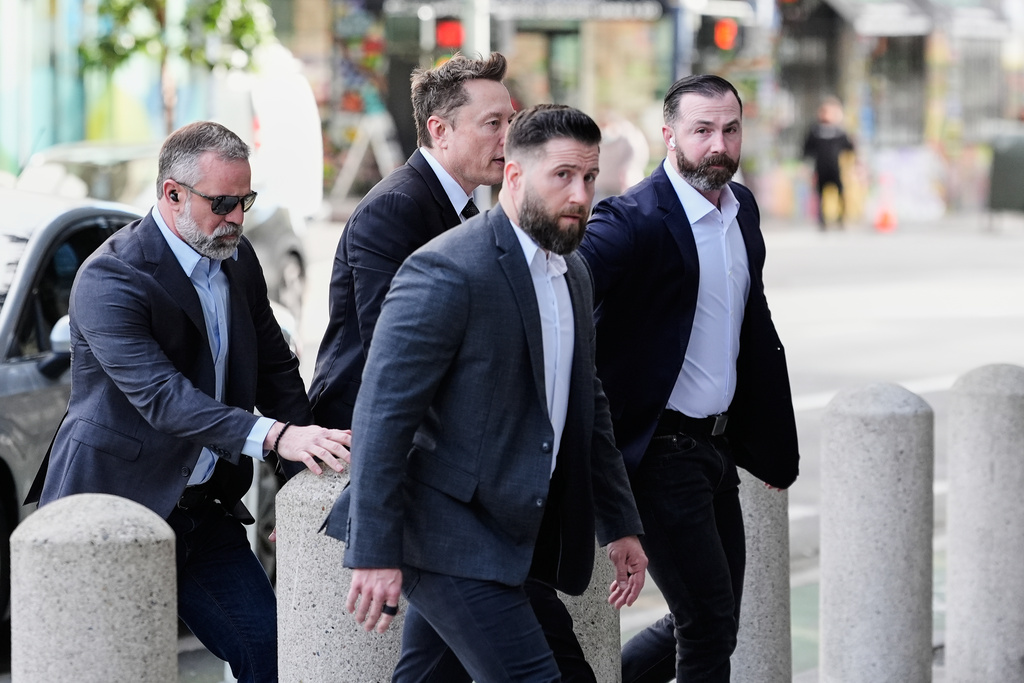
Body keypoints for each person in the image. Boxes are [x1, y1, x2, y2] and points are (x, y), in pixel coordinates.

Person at [26, 121, 351, 683]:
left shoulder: (238, 259)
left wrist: (302, 473)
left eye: (245, 201)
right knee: (110, 670)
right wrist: (275, 436)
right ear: (172, 193)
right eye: (221, 203)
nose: (236, 219)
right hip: (110, 508)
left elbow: (275, 367)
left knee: (273, 654)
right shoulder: (111, 275)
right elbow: (163, 398)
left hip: (201, 509)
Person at [335, 104, 648, 683]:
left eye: (588, 177)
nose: (580, 195)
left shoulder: (572, 273)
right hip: (444, 530)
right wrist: (374, 551)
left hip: (511, 533)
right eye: (562, 176)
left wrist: (620, 523)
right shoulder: (447, 269)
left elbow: (587, 406)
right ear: (514, 176)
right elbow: (383, 415)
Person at [578, 75, 800, 682]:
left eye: (729, 130)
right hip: (660, 455)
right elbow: (567, 283)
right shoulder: (632, 220)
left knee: (709, 619)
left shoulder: (742, 210)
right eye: (701, 131)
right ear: (669, 134)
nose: (718, 145)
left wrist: (771, 447)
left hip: (716, 448)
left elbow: (752, 329)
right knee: (707, 628)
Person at [308, 51, 515, 429]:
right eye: (493, 123)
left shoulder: (461, 206)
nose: (509, 137)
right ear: (439, 130)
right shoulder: (396, 206)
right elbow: (391, 347)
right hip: (363, 435)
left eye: (510, 121)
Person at [802, 96, 855, 230]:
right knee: (820, 195)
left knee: (840, 193)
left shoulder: (840, 132)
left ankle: (841, 218)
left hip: (836, 168)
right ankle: (822, 220)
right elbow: (807, 150)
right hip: (820, 168)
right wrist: (805, 167)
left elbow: (850, 148)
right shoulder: (815, 131)